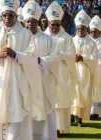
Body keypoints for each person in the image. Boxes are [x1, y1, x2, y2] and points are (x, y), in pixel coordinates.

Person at [0, 0, 44, 139]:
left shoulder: (26, 34)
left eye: (11, 15)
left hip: (18, 82)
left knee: (17, 117)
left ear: (16, 15)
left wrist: (16, 55)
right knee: (0, 115)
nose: (7, 18)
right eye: (5, 15)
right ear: (1, 16)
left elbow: (33, 56)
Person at [23, 0, 58, 139]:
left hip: (43, 83)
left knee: (45, 110)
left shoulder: (47, 39)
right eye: (28, 21)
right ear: (24, 22)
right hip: (25, 83)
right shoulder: (20, 38)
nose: (30, 24)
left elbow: (55, 56)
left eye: (33, 21)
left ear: (37, 21)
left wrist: (40, 61)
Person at [44, 1, 77, 134]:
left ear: (61, 24)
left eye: (57, 25)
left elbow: (72, 55)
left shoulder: (67, 38)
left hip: (62, 73)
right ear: (48, 24)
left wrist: (58, 55)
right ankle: (48, 128)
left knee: (61, 102)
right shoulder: (43, 37)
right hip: (46, 73)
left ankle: (59, 127)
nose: (55, 27)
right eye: (52, 25)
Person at [72, 9, 99, 127]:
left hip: (85, 74)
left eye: (82, 28)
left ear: (86, 29)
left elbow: (94, 59)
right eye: (78, 28)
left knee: (82, 95)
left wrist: (83, 58)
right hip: (73, 71)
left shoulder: (92, 43)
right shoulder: (71, 40)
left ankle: (79, 119)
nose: (80, 30)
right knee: (72, 95)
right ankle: (71, 116)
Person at [89, 15, 101, 120]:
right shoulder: (87, 41)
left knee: (97, 90)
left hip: (99, 69)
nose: (93, 33)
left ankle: (96, 112)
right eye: (92, 31)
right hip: (89, 69)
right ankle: (88, 111)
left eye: (95, 31)